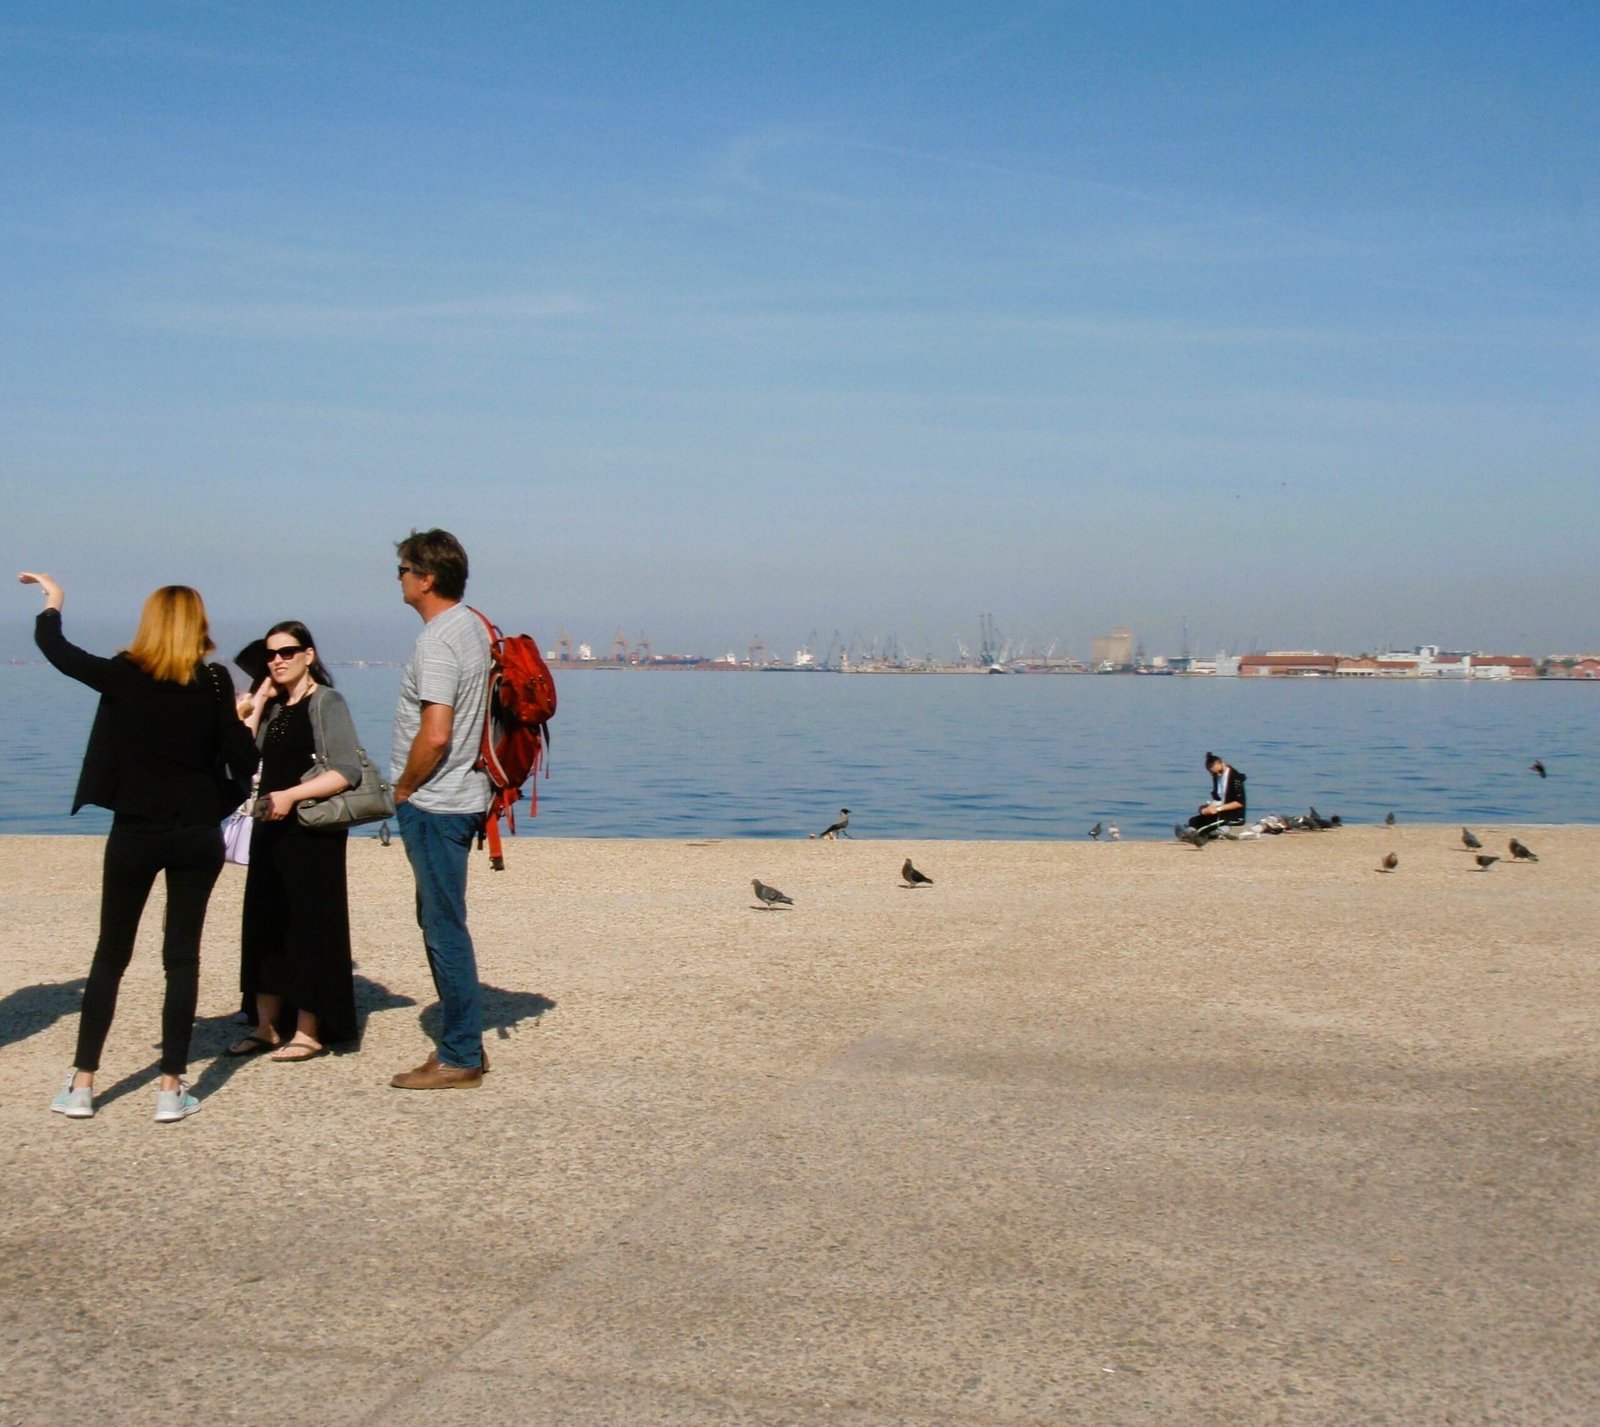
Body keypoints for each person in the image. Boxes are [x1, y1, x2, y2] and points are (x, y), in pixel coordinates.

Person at [19, 572, 259, 1123]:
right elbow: (244, 763)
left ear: (148, 624)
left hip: (136, 833)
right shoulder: (215, 682)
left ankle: (82, 1085)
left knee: (111, 954)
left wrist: (54, 601)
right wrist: (241, 719)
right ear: (199, 625)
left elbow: (56, 649)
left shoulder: (124, 674)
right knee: (182, 957)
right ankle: (171, 1089)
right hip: (196, 833)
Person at [388, 530, 493, 1090]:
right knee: (441, 920)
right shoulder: (473, 626)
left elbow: (435, 735)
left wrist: (403, 789)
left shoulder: (437, 641)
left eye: (403, 570)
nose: (399, 579)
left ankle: (460, 1056)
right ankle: (462, 1043)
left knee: (444, 928)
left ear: (427, 578)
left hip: (436, 803)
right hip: (465, 797)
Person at [229, 622, 362, 1061]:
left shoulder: (326, 701)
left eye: (287, 652)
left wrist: (291, 795)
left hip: (312, 830)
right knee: (264, 923)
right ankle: (266, 1026)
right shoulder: (273, 707)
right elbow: (242, 758)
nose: (277, 660)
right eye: (270, 654)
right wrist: (260, 699)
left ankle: (309, 1029)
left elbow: (346, 770)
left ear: (308, 655)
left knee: (310, 927)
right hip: (269, 828)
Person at [1187, 751, 1247, 840]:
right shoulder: (1216, 777)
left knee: (1215, 824)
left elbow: (1239, 803)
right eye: (1214, 773)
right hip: (1221, 811)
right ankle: (1191, 833)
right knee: (1194, 820)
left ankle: (1207, 834)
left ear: (1222, 763)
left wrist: (1218, 809)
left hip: (1233, 815)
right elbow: (1217, 798)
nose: (1218, 774)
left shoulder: (1235, 778)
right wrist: (1207, 807)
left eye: (1220, 771)